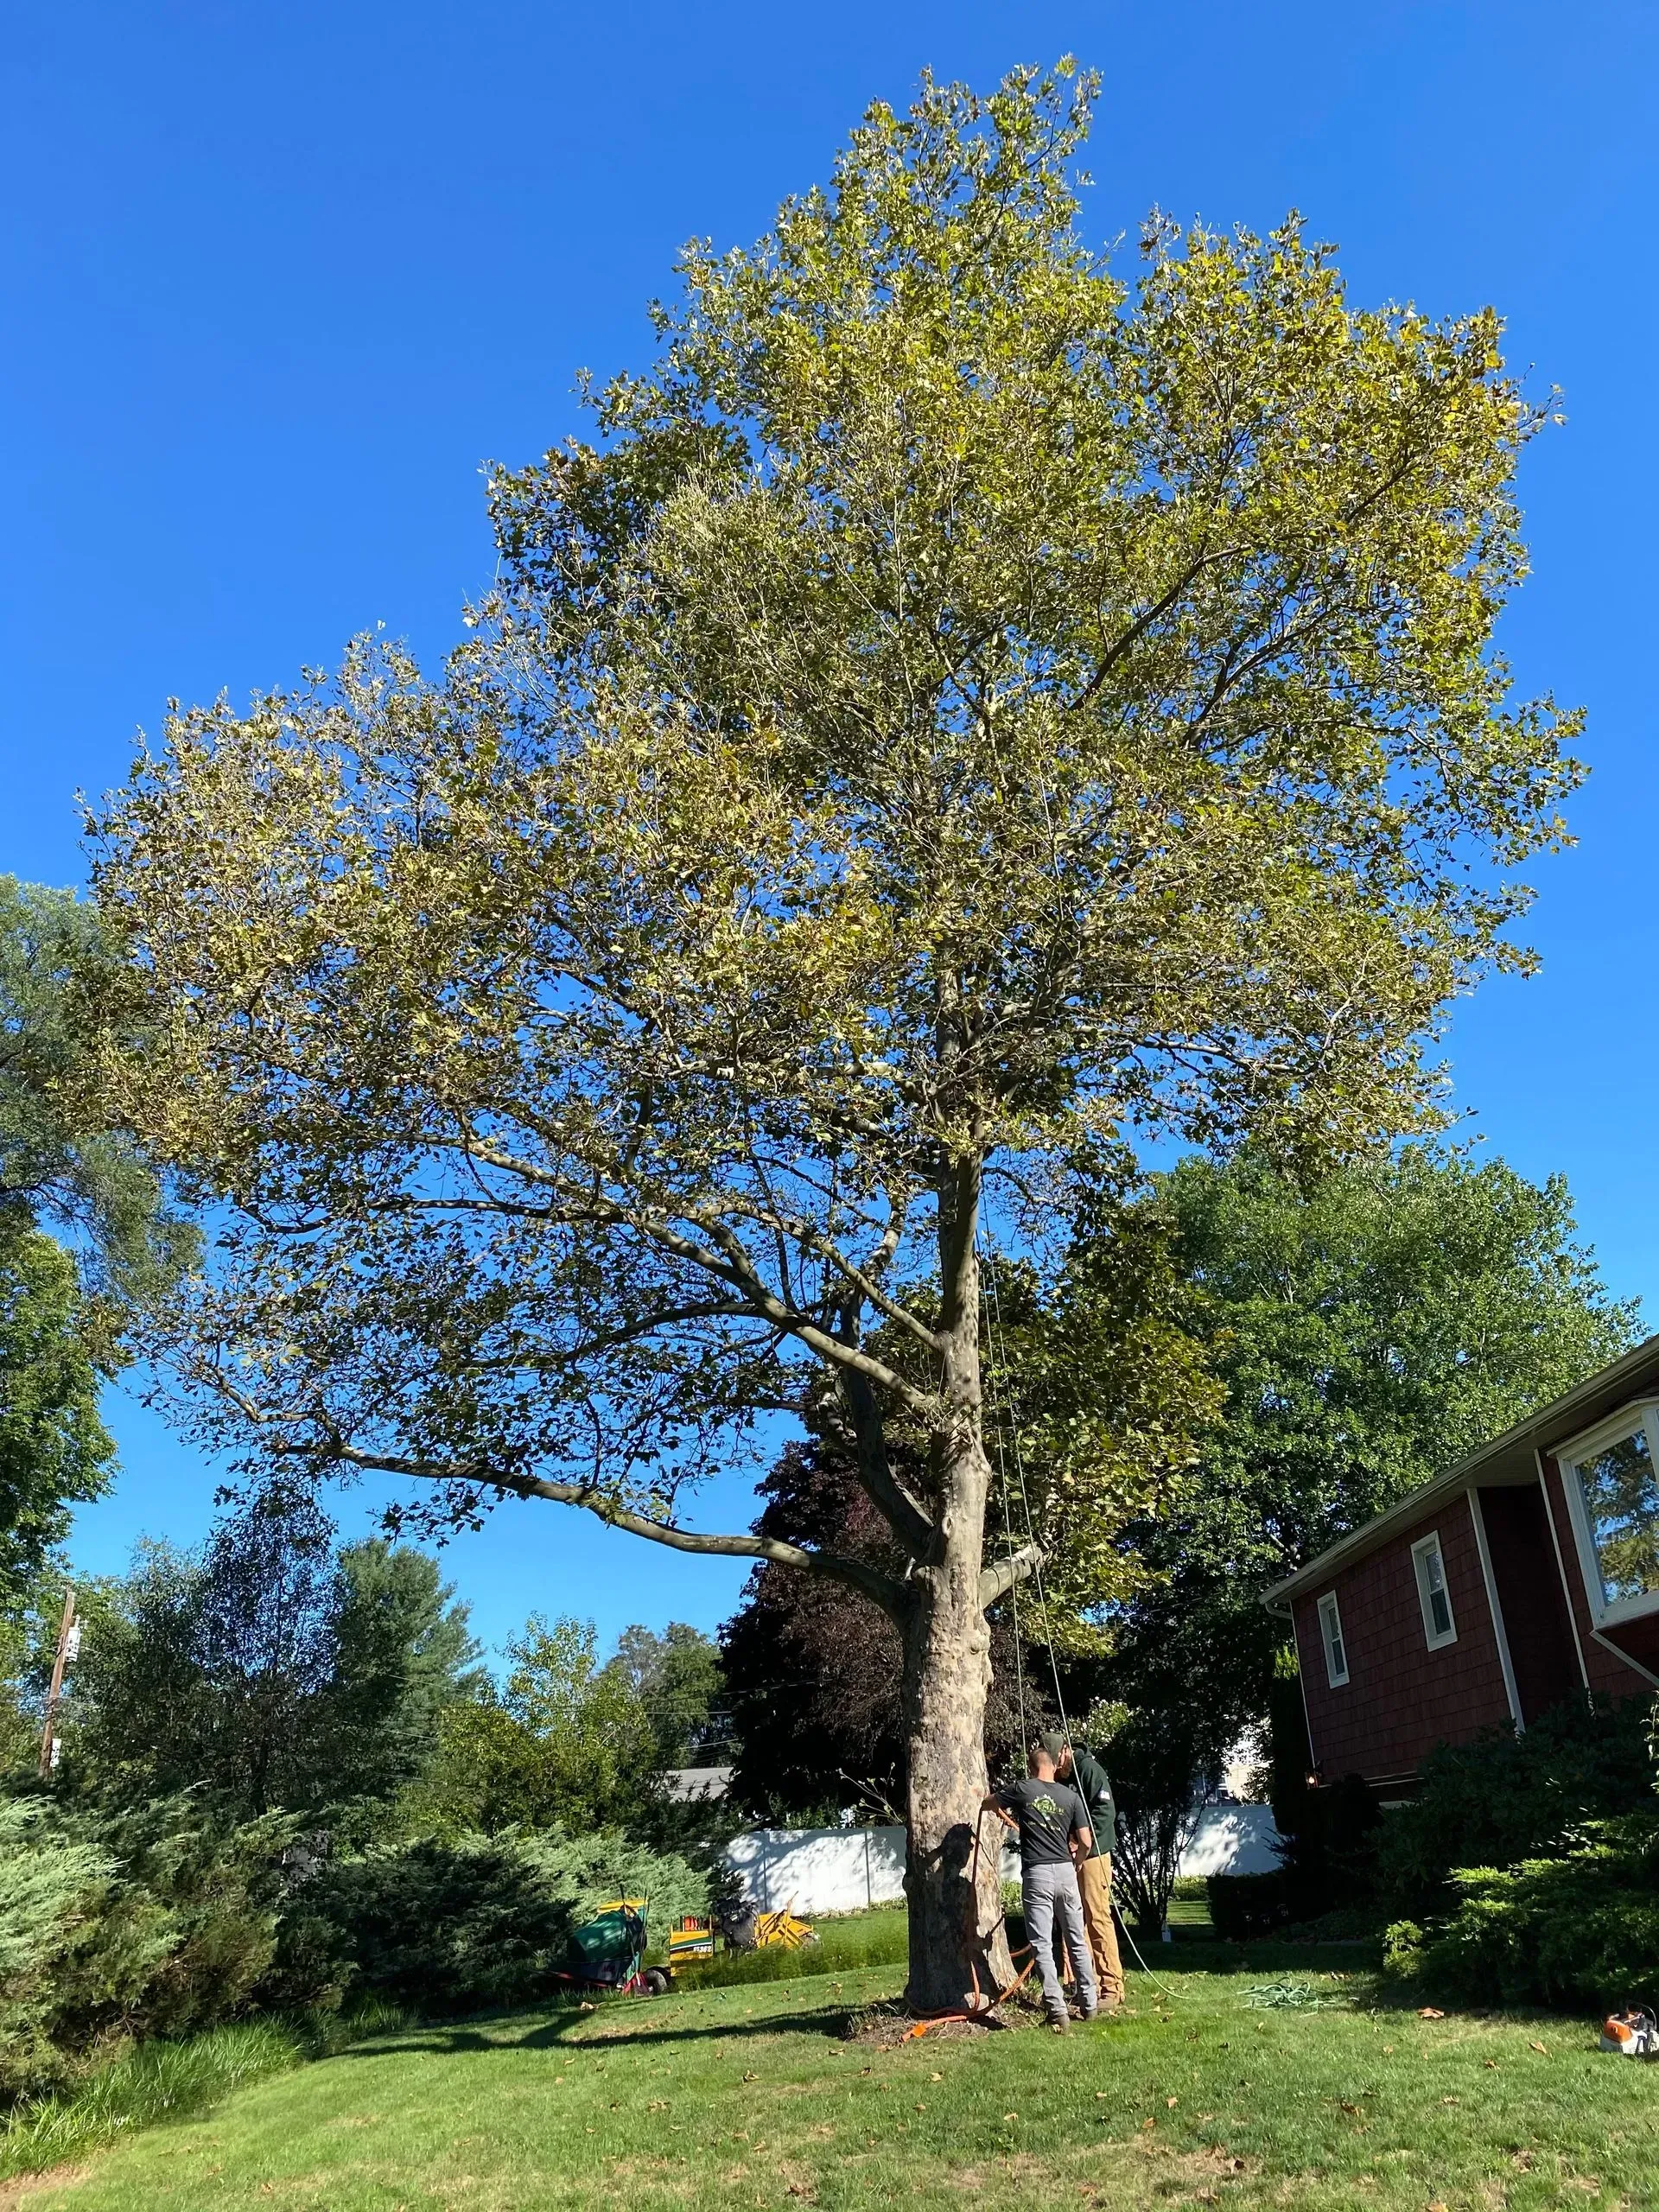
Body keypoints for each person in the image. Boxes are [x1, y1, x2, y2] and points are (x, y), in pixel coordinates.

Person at [982, 1742, 1097, 2031]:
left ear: (1031, 1767)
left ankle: (1057, 2011)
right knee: (1076, 1939)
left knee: (1042, 1944)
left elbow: (990, 1803)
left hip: (1038, 1874)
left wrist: (983, 1802)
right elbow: (1086, 1841)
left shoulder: (1023, 1789)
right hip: (1066, 1872)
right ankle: (1090, 2005)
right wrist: (1077, 1863)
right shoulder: (1071, 1796)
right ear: (1054, 1766)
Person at [1044, 1730, 1126, 2013]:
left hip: (1093, 1855)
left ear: (1064, 1752)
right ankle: (1087, 1986)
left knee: (1097, 1917)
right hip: (1070, 1856)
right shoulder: (1061, 1779)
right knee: (1075, 1921)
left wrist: (1081, 1840)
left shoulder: (1089, 1770)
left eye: (1056, 1761)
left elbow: (1105, 1812)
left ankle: (1112, 1986)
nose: (1055, 1768)